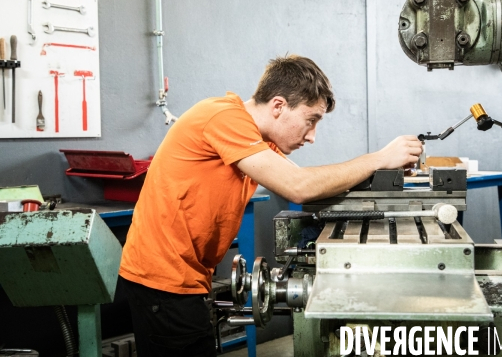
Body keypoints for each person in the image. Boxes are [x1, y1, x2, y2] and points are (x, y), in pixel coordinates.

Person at [118, 54, 422, 357]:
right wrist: (380, 157)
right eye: (311, 120)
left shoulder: (257, 138)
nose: (313, 136)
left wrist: (383, 173)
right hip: (163, 281)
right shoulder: (223, 117)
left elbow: (312, 185)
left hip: (186, 276)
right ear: (278, 106)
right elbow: (298, 186)